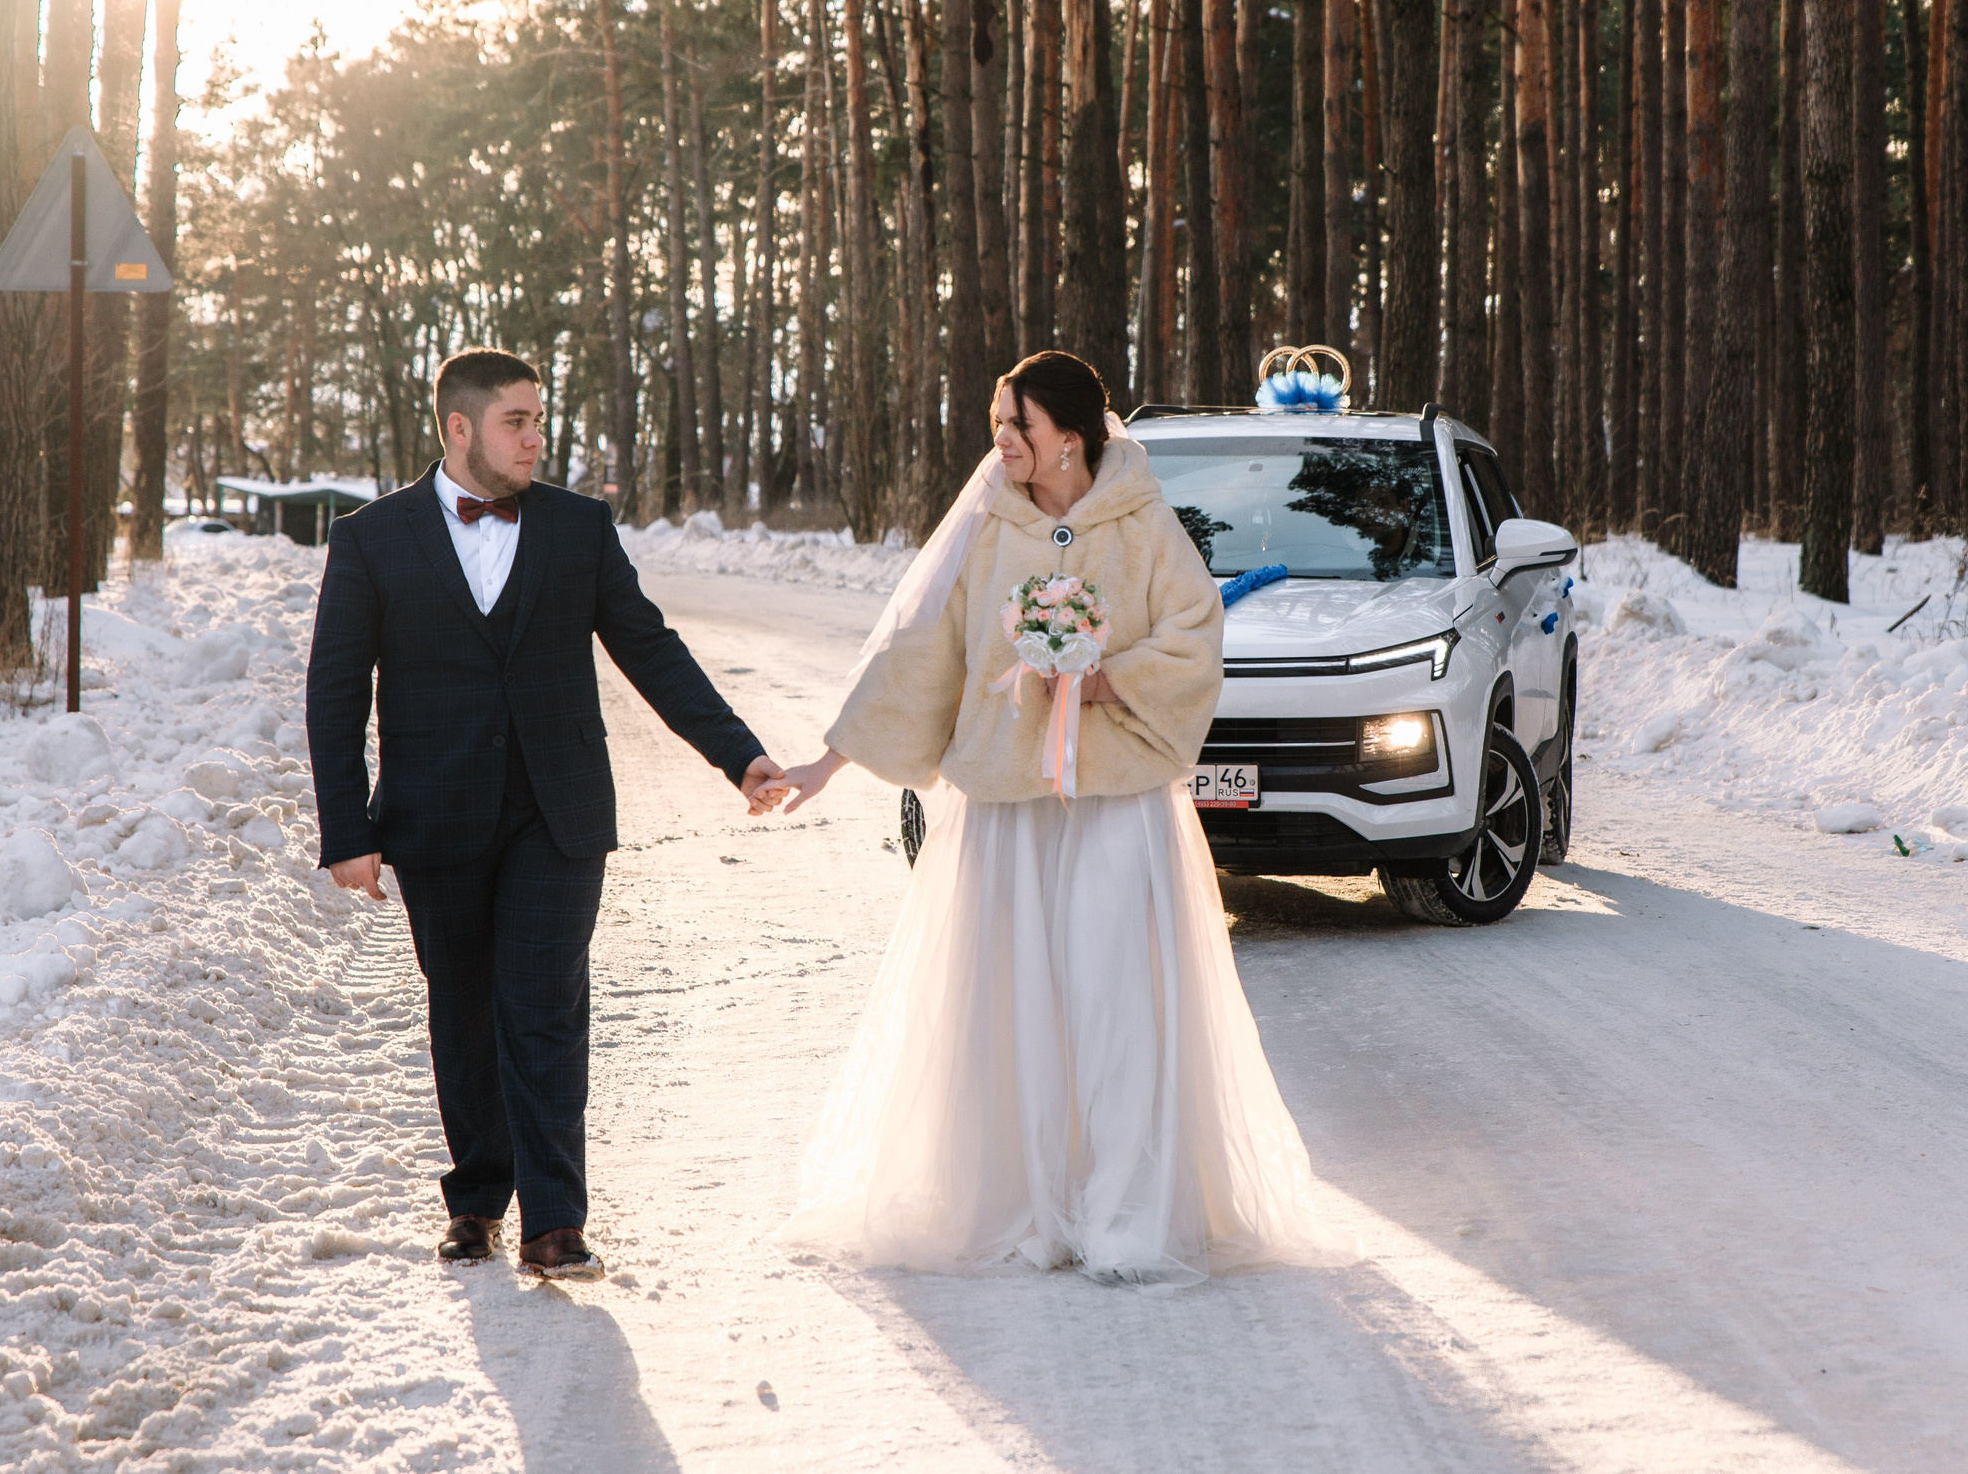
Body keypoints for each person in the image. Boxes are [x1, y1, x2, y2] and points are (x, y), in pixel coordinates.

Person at [769, 350, 1329, 1285]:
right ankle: (1032, 1204)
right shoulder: (986, 522)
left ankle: (1125, 1212)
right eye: (997, 422)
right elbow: (921, 644)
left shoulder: (1144, 523)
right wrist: (831, 760)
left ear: (1069, 437)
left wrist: (1109, 677)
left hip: (1117, 803)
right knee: (1016, 1007)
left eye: (1015, 425)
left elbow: (1195, 633)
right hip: (1008, 810)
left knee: (1118, 1004)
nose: (1000, 442)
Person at [307, 348, 786, 1277]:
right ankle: (479, 1195)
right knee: (465, 1007)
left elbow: (652, 651)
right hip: (435, 810)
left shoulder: (578, 527)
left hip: (557, 813)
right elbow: (335, 690)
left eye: (538, 418)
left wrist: (741, 755)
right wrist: (347, 829)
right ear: (459, 428)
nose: (536, 436)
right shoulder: (371, 538)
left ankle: (555, 1219)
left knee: (545, 1003)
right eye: (515, 421)